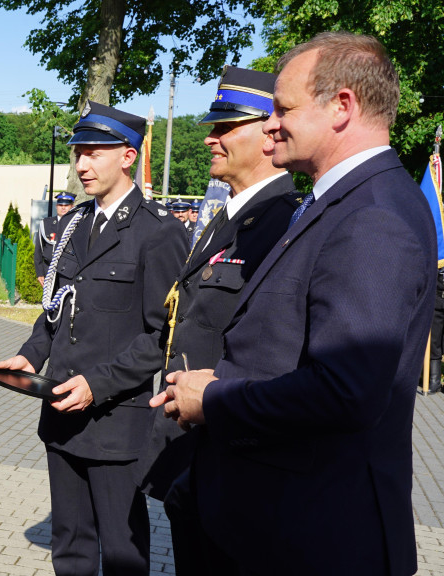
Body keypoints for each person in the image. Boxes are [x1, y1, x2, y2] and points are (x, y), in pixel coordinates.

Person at [152, 32, 435, 575]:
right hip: (272, 518)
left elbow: (345, 390)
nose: (271, 122)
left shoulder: (372, 217)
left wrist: (214, 400)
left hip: (313, 533)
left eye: (283, 108)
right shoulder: (341, 203)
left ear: (342, 107)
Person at [0, 101, 188, 576]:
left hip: (115, 423)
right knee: (71, 545)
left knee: (122, 551)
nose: (81, 164)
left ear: (128, 156)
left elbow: (160, 335)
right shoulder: (73, 225)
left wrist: (96, 385)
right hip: (60, 411)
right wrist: (28, 356)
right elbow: (53, 312)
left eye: (94, 152)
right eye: (79, 152)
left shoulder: (158, 233)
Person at [136, 66, 300, 575]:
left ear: (269, 131)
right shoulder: (227, 219)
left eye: (226, 127)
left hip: (234, 456)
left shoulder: (282, 223)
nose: (210, 138)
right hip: (196, 452)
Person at [34, 192, 75, 285]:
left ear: (72, 206)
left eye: (66, 205)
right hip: (49, 269)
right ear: (56, 206)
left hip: (69, 271)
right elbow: (38, 250)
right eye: (60, 205)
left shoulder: (78, 224)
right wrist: (40, 273)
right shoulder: (46, 224)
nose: (63, 207)